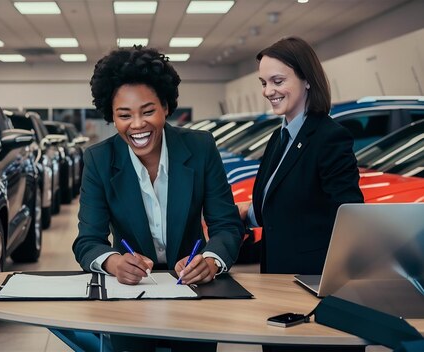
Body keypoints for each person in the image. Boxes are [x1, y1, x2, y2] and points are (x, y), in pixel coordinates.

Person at [72, 46, 244, 352]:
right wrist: (113, 262)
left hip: (193, 292)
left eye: (147, 111)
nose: (137, 125)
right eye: (124, 115)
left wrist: (211, 261)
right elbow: (88, 240)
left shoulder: (200, 147)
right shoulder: (98, 159)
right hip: (131, 296)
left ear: (165, 106)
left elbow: (227, 225)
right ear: (111, 117)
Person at [237, 37, 364, 352]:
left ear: (307, 80)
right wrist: (245, 213)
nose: (269, 91)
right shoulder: (278, 137)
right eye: (264, 82)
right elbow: (283, 203)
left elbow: (350, 216)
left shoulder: (329, 138)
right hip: (277, 281)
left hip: (314, 290)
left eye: (278, 81)